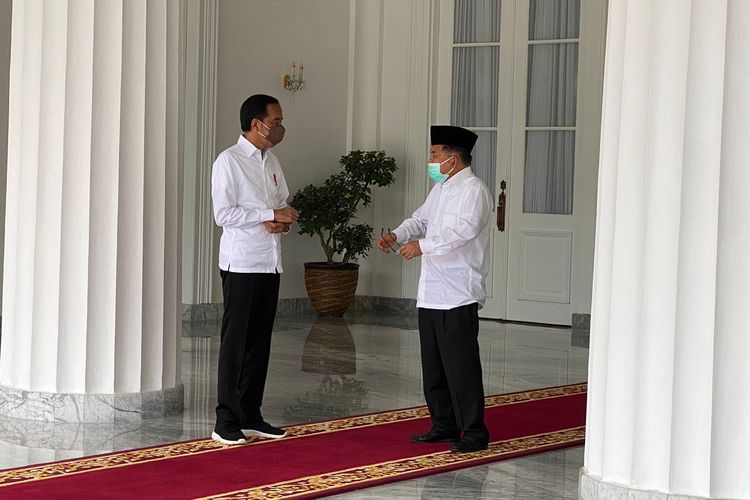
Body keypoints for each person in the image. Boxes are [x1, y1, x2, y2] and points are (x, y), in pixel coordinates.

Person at [377, 125, 493, 453]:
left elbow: (462, 232)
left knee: (461, 366)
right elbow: (420, 220)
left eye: (434, 154)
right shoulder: (442, 188)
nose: (430, 159)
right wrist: (397, 235)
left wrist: (422, 247)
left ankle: (473, 432)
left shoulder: (474, 190)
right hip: (432, 291)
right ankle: (444, 424)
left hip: (458, 291)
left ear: (452, 158)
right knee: (434, 365)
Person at [210, 94, 299, 445]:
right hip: (242, 263)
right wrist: (269, 215)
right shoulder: (228, 162)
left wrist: (284, 220)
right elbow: (224, 215)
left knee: (260, 342)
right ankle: (225, 419)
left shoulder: (272, 161)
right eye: (274, 122)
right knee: (236, 343)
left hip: (269, 262)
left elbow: (281, 206)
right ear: (255, 123)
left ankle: (251, 413)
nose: (279, 128)